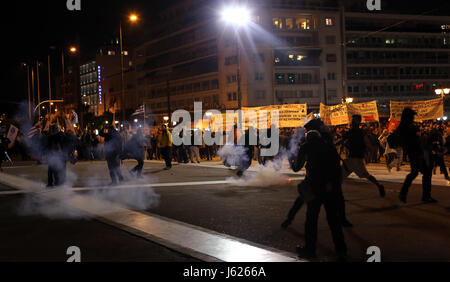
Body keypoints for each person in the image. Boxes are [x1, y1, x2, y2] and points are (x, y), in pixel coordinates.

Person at [289, 128, 347, 261]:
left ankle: (310, 250)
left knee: (311, 219)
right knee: (333, 220)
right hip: (330, 188)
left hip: (314, 186)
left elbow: (297, 167)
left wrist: (292, 160)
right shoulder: (329, 147)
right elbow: (337, 169)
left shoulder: (306, 146)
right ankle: (341, 250)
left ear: (308, 138)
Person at [397, 108, 436, 203]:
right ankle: (424, 195)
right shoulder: (410, 127)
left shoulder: (402, 127)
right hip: (416, 152)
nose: (413, 118)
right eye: (412, 116)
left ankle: (404, 193)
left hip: (413, 152)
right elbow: (417, 139)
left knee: (417, 172)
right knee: (423, 173)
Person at [341, 115, 385, 198]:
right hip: (350, 158)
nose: (352, 122)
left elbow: (367, 144)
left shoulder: (358, 132)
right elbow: (344, 141)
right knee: (340, 176)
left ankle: (379, 186)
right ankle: (338, 195)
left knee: (366, 175)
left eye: (353, 120)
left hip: (357, 159)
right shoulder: (355, 132)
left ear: (357, 122)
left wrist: (368, 153)